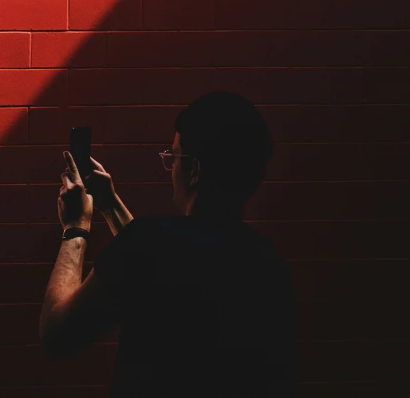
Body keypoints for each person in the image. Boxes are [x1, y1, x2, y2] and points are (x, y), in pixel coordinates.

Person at [39, 91, 298, 398]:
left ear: (195, 170)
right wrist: (110, 205)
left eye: (174, 157)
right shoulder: (268, 264)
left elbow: (57, 335)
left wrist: (75, 229)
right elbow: (165, 261)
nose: (171, 166)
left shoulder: (151, 241)